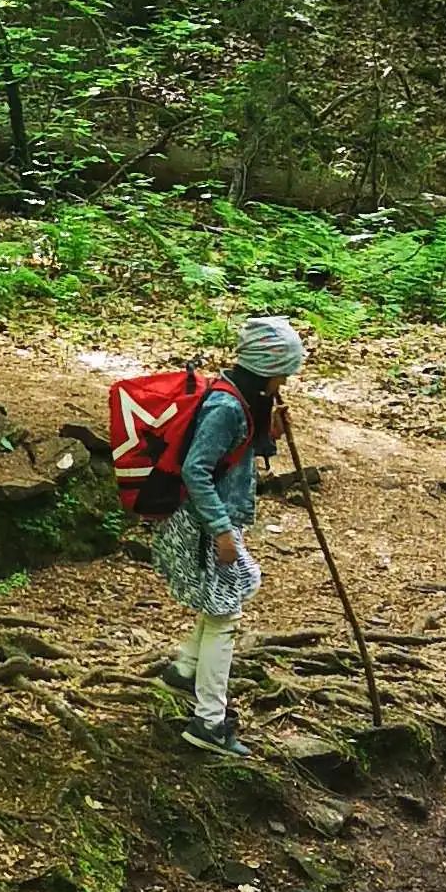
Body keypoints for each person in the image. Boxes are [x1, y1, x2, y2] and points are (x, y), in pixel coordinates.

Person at [152, 312, 308, 755]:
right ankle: (208, 722)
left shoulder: (242, 396)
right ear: (266, 368)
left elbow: (235, 452)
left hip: (215, 520)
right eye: (283, 373)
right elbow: (196, 469)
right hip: (205, 524)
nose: (284, 382)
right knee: (226, 616)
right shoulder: (226, 405)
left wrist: (271, 433)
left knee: (220, 602)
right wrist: (221, 531)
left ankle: (185, 671)